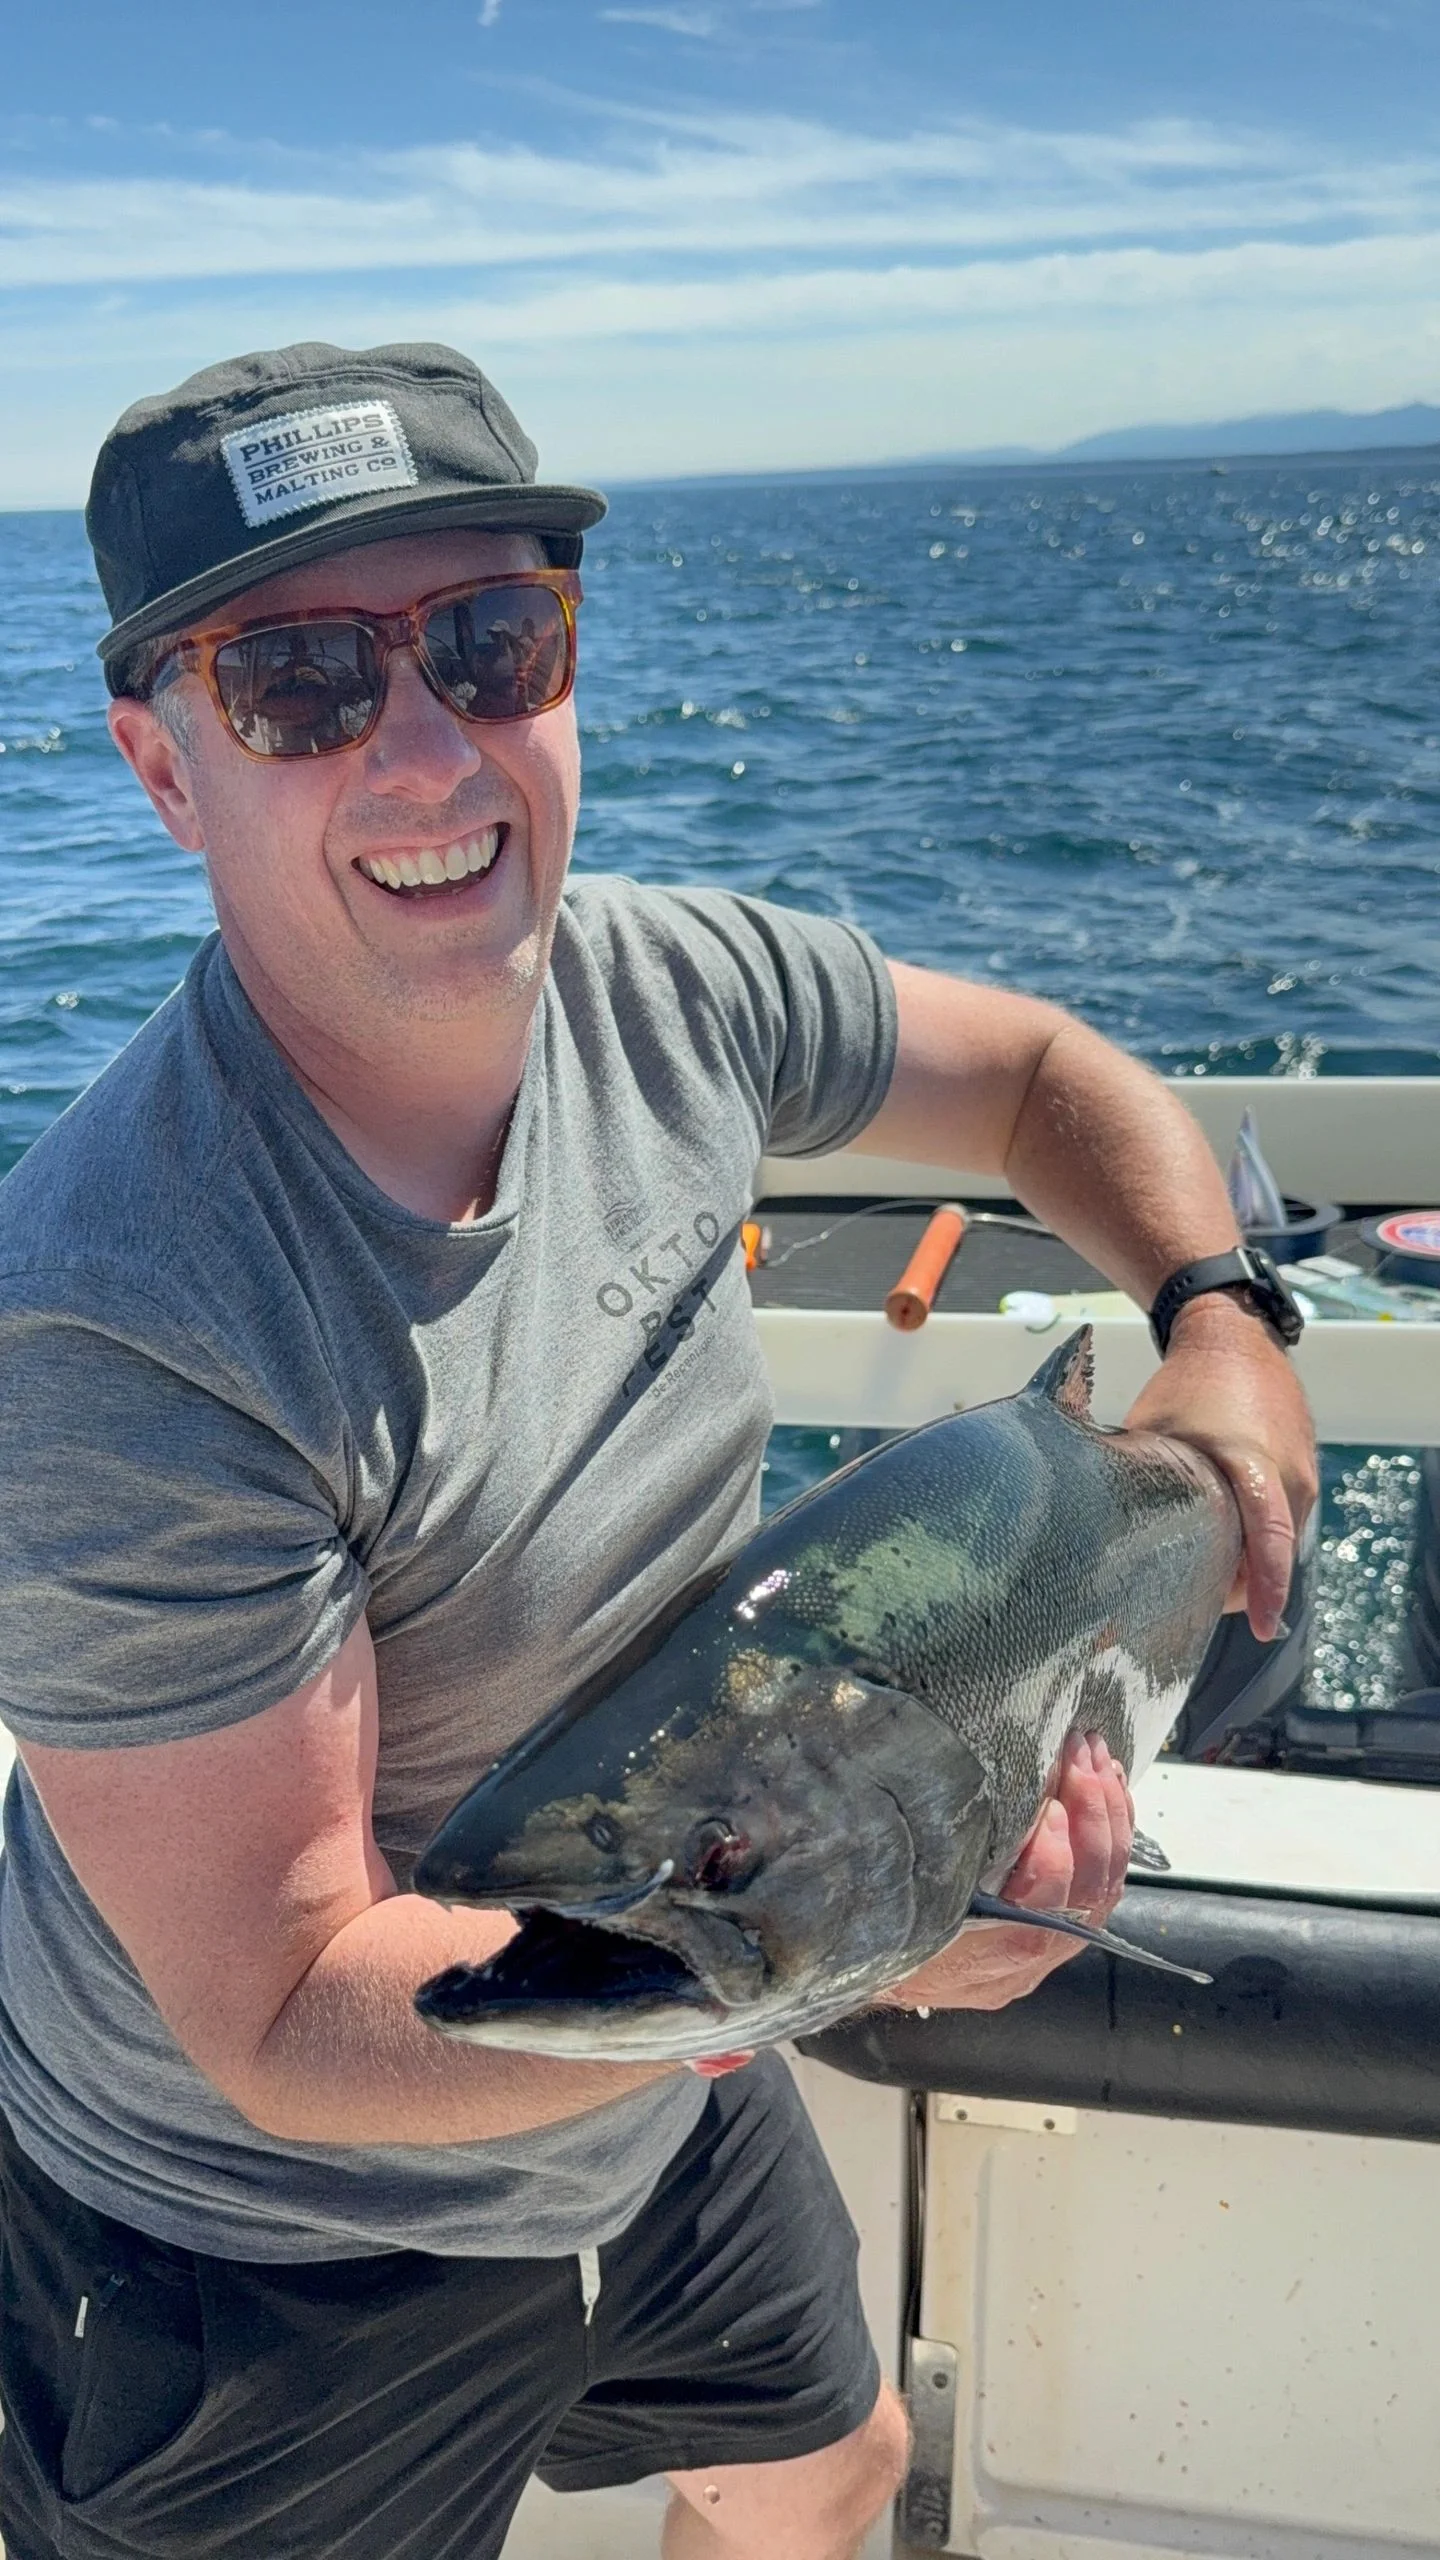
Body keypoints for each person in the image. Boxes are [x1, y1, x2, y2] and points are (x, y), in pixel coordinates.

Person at [0, 342, 1316, 2560]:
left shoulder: (670, 990)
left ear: (570, 660)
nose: (428, 748)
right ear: (160, 763)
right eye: (303, 680)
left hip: (665, 2043)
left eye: (493, 643)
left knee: (832, 2472)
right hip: (260, 2254)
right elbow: (291, 2010)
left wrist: (1225, 1317)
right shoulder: (121, 1321)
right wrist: (857, 1937)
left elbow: (1035, 1077)